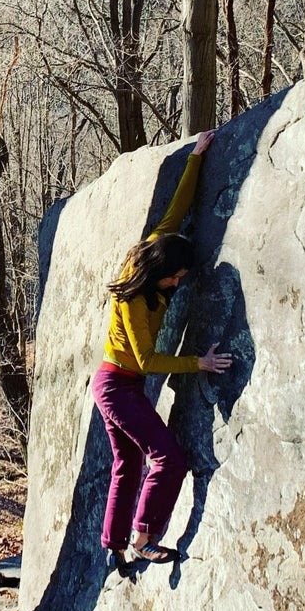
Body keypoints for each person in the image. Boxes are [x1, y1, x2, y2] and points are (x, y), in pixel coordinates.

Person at [92, 129, 232, 569]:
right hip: (118, 384)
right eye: (176, 278)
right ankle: (143, 537)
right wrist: (200, 363)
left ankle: (112, 542)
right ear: (163, 272)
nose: (178, 283)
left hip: (118, 383)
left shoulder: (155, 248)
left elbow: (177, 206)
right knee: (167, 458)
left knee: (126, 463)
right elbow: (148, 361)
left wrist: (195, 158)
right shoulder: (133, 300)